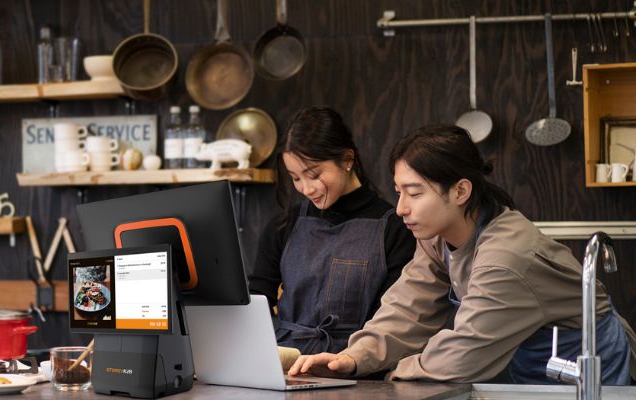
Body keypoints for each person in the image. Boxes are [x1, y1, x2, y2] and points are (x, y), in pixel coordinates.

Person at [288, 124, 636, 383]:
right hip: (531, 368)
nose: (400, 209)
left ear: (460, 191)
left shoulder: (507, 258)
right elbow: (408, 308)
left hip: (594, 373)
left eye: (414, 193)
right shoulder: (437, 236)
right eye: (398, 192)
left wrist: (390, 373)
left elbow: (462, 355)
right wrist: (352, 358)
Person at [249, 106, 416, 355]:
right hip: (285, 363)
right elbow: (257, 301)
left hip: (357, 367)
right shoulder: (285, 224)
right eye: (295, 178)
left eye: (313, 175)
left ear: (347, 160)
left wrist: (350, 362)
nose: (305, 188)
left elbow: (390, 321)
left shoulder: (394, 228)